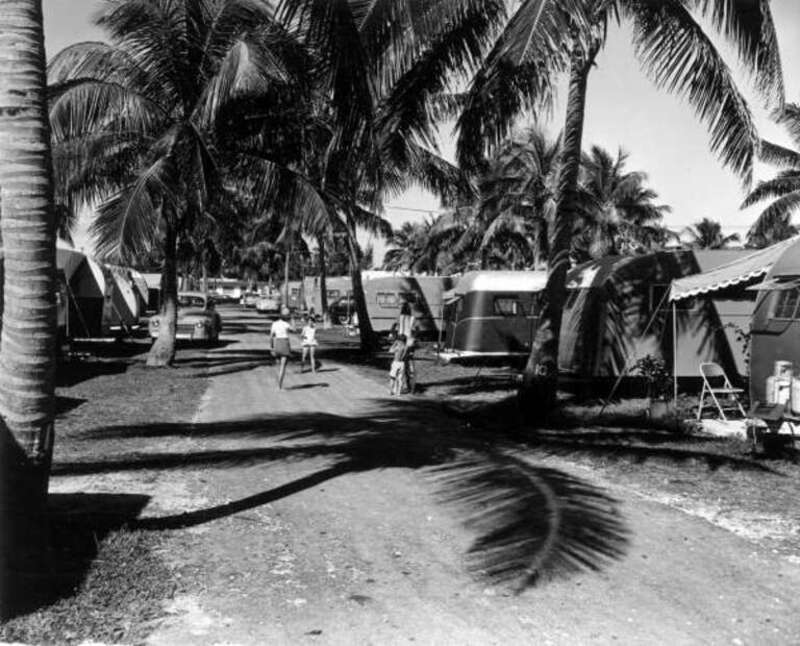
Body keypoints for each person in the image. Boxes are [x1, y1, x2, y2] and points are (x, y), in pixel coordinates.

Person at [270, 307, 294, 389]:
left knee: (278, 363)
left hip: (277, 343)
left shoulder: (274, 324)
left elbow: (271, 336)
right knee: (283, 366)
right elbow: (294, 329)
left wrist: (271, 347)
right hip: (284, 343)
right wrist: (292, 319)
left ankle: (277, 381)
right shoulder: (286, 324)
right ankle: (279, 385)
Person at [396, 302, 417, 392]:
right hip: (410, 341)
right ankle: (412, 380)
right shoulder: (413, 318)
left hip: (401, 341)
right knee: (410, 359)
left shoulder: (399, 318)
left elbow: (398, 329)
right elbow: (414, 329)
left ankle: (402, 385)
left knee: (400, 362)